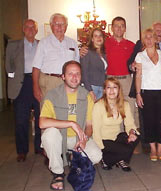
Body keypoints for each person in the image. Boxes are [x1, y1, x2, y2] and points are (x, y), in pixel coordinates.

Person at [40, 61, 102, 190]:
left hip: (78, 138)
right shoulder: (52, 95)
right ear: (63, 76)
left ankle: (73, 158)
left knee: (96, 156)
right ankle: (58, 173)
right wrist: (71, 123)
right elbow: (42, 123)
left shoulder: (86, 96)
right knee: (49, 134)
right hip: (59, 137)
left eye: (77, 74)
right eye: (70, 74)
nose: (74, 77)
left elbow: (89, 125)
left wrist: (83, 139)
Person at [5, 19, 42, 162]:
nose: (30, 29)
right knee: (21, 120)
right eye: (27, 27)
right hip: (21, 85)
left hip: (38, 83)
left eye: (33, 27)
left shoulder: (41, 45)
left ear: (37, 30)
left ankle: (40, 148)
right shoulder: (13, 45)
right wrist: (14, 78)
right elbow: (8, 66)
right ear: (23, 29)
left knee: (41, 118)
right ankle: (22, 151)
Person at [135, 28, 161, 162]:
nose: (149, 40)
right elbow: (138, 76)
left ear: (156, 39)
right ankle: (153, 149)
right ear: (143, 40)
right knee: (149, 122)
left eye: (151, 37)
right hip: (147, 93)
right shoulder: (140, 56)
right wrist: (138, 93)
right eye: (146, 37)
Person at [92, 77, 139, 172]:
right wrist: (100, 148)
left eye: (115, 87)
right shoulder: (98, 105)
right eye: (109, 87)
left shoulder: (124, 104)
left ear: (119, 90)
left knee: (137, 136)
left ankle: (113, 159)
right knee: (126, 150)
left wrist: (131, 133)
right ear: (104, 90)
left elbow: (130, 123)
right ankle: (112, 158)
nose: (112, 90)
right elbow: (95, 130)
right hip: (104, 140)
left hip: (117, 138)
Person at [32, 13, 79, 103]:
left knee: (70, 111)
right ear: (51, 26)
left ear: (66, 26)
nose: (59, 27)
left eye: (62, 24)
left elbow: (77, 65)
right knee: (49, 113)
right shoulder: (44, 42)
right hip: (50, 82)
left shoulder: (73, 43)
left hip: (69, 82)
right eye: (56, 24)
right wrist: (35, 88)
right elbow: (36, 67)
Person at [80, 28, 107, 101]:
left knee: (99, 111)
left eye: (100, 35)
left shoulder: (105, 53)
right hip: (91, 87)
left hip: (102, 88)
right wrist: (89, 90)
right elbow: (84, 73)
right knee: (90, 111)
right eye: (96, 36)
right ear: (92, 39)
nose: (98, 38)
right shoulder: (87, 52)